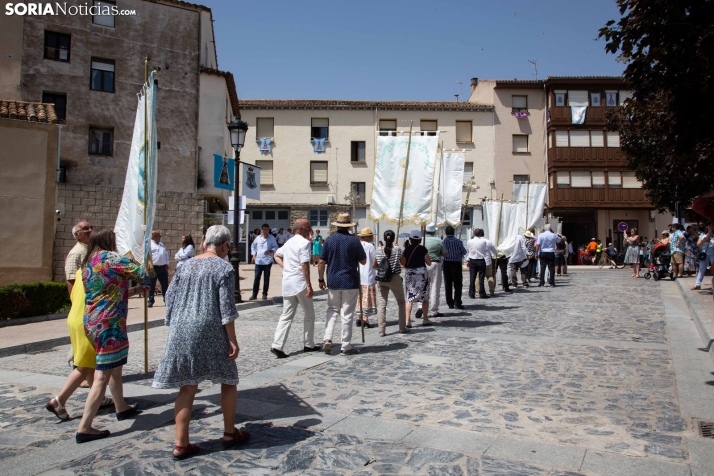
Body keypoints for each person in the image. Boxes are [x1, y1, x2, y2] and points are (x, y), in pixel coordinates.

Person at [152, 225, 249, 459]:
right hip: (210, 327)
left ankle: (181, 443)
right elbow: (226, 307)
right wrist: (232, 339)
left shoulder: (185, 265)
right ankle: (229, 431)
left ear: (206, 242)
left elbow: (170, 296)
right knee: (228, 379)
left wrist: (174, 321)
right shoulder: (223, 267)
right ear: (224, 245)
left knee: (187, 384)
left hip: (182, 328)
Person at [75, 228, 148, 443]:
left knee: (114, 367)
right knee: (101, 377)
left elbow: (105, 290)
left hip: (92, 320)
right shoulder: (110, 257)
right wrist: (144, 257)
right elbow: (142, 272)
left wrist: (134, 292)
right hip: (110, 323)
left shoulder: (90, 261)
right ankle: (84, 427)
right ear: (109, 241)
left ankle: (121, 406)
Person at [44, 267, 118, 421]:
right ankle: (59, 401)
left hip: (75, 317)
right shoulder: (101, 270)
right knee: (84, 366)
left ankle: (100, 397)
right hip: (88, 320)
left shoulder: (82, 270)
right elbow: (111, 294)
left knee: (89, 363)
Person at [270, 219, 321, 358]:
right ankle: (308, 343)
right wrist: (309, 285)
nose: (310, 229)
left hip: (287, 282)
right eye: (308, 227)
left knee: (286, 315)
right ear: (301, 228)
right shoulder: (304, 243)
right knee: (309, 313)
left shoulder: (289, 242)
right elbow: (305, 264)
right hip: (299, 282)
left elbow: (276, 255)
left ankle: (277, 344)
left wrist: (285, 268)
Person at [318, 213, 367, 355]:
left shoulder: (329, 240)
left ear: (337, 225)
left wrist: (321, 279)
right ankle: (345, 345)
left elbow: (321, 262)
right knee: (347, 313)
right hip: (350, 280)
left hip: (333, 280)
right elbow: (363, 261)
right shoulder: (354, 241)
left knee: (332, 310)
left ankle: (327, 338)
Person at [373, 230, 408, 336]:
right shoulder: (397, 249)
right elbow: (403, 262)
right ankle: (402, 327)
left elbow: (374, 265)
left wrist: (382, 268)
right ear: (393, 239)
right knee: (401, 302)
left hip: (382, 279)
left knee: (382, 305)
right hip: (394, 278)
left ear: (384, 239)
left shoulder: (378, 250)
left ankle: (381, 330)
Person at [402, 230, 433, 327]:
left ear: (410, 239)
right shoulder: (423, 249)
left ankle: (407, 320)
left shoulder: (406, 249)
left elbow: (403, 263)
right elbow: (429, 262)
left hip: (410, 273)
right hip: (421, 274)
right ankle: (425, 319)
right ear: (420, 239)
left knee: (409, 297)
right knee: (424, 297)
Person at [416, 224, 446, 319]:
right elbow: (445, 254)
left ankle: (421, 306)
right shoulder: (438, 240)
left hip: (422, 264)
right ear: (434, 231)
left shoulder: (421, 240)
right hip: (435, 263)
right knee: (435, 287)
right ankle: (433, 310)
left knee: (422, 287)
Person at [249, 223, 278, 300]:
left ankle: (264, 294)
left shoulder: (271, 238)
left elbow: (275, 247)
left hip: (267, 261)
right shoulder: (258, 238)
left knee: (266, 278)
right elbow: (253, 246)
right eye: (264, 229)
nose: (266, 231)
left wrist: (271, 250)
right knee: (257, 277)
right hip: (259, 261)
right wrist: (253, 255)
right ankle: (254, 294)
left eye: (267, 229)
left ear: (269, 230)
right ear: (261, 230)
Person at [442, 225, 468, 309]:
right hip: (456, 263)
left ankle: (450, 302)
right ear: (454, 232)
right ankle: (457, 302)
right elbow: (464, 251)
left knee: (448, 283)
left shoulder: (443, 242)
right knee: (458, 284)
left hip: (446, 263)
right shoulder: (458, 241)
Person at [467, 228, 497, 299]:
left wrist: (468, 260)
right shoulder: (484, 241)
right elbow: (485, 250)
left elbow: (468, 251)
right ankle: (482, 292)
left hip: (473, 260)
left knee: (472, 278)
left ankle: (472, 293)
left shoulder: (470, 241)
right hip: (481, 260)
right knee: (481, 277)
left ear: (474, 234)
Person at [356, 228, 377, 328]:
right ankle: (365, 318)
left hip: (358, 274)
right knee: (367, 297)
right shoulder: (370, 246)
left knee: (360, 296)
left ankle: (359, 317)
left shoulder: (356, 245)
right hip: (368, 274)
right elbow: (374, 261)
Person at [65, 221, 93, 294]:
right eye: (85, 228)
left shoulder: (92, 249)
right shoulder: (75, 253)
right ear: (77, 234)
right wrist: (75, 302)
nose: (90, 230)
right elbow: (71, 280)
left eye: (91, 228)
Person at [148, 230, 170, 308]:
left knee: (164, 285)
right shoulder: (149, 244)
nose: (160, 237)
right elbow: (147, 256)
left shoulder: (162, 245)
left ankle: (166, 300)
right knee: (152, 285)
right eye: (159, 236)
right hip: (153, 268)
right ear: (154, 237)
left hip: (163, 268)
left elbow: (166, 255)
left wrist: (167, 263)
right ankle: (150, 301)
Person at [693, 224, 714, 290]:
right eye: (710, 225)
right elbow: (698, 244)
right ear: (707, 226)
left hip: (713, 253)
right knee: (701, 269)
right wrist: (703, 240)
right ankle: (697, 284)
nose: (711, 227)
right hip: (704, 253)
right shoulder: (703, 235)